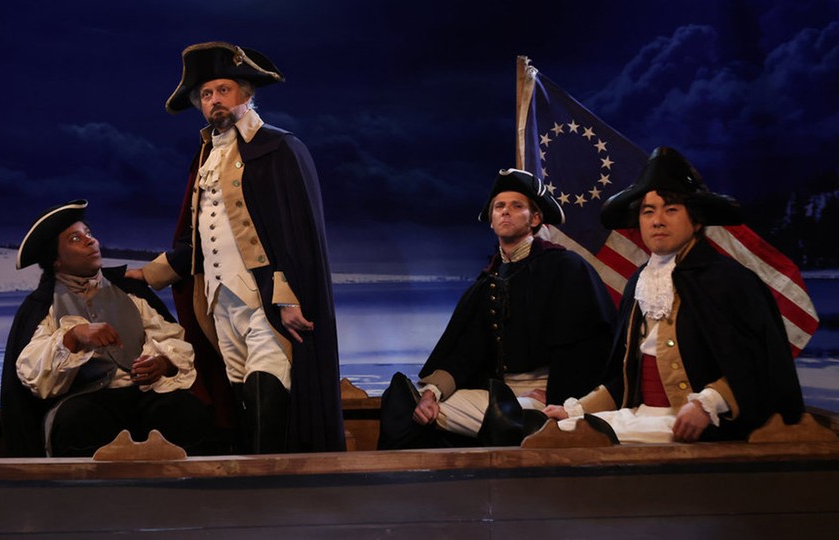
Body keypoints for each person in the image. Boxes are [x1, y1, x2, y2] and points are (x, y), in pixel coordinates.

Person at [126, 41, 344, 453]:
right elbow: (193, 240)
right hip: (218, 303)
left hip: (266, 299)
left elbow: (295, 233)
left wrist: (288, 297)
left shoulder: (279, 149)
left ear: (247, 94)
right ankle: (254, 487)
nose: (214, 101)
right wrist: (147, 274)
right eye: (206, 94)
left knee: (269, 383)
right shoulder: (205, 157)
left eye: (222, 90)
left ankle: (273, 491)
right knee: (244, 394)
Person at [543, 147, 806, 443]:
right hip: (643, 416)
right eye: (648, 211)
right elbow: (624, 378)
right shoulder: (638, 283)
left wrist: (707, 404)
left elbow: (760, 364)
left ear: (695, 221)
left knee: (580, 442)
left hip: (708, 426)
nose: (657, 220)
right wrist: (577, 410)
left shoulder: (729, 280)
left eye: (670, 209)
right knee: (559, 429)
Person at [378, 169, 617, 449]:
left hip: (553, 398)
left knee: (505, 419)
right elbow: (464, 352)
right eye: (499, 207)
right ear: (491, 220)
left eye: (517, 206)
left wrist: (559, 395)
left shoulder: (566, 269)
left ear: (535, 218)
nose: (506, 212)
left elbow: (589, 347)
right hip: (499, 393)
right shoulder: (488, 282)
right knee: (414, 410)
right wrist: (431, 394)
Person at [0, 200, 220, 457]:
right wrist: (73, 337)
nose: (90, 241)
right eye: (75, 239)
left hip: (142, 393)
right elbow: (33, 373)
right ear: (56, 261)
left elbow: (170, 338)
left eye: (89, 234)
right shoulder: (43, 307)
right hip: (84, 398)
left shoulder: (129, 292)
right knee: (79, 419)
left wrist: (163, 363)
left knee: (185, 411)